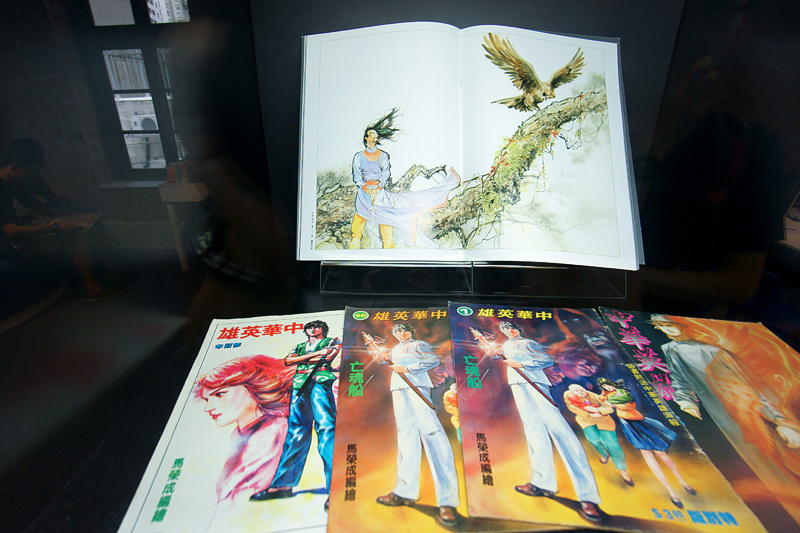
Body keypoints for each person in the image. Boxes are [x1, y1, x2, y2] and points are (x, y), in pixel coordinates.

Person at [472, 321, 603, 523]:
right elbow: (495, 354)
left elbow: (545, 359)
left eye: (512, 328)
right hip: (518, 385)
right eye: (506, 329)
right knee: (534, 431)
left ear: (519, 329)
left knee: (560, 431)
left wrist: (522, 365)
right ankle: (542, 483)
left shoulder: (528, 343)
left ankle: (588, 497)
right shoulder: (507, 345)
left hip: (536, 383)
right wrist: (485, 343)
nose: (509, 331)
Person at [0, 138, 122, 301]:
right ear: (14, 167)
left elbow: (35, 207)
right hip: (11, 243)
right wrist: (54, 227)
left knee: (86, 225)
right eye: (29, 173)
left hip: (29, 227)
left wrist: (70, 215)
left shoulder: (14, 180)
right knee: (78, 237)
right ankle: (91, 288)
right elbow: (10, 230)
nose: (31, 177)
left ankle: (110, 271)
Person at [364, 323, 459, 527]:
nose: (401, 333)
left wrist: (408, 369)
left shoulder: (419, 344)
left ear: (411, 332)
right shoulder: (396, 348)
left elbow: (432, 359)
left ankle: (448, 501)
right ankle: (405, 492)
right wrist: (376, 350)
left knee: (433, 434)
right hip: (399, 389)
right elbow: (384, 360)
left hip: (418, 386)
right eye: (397, 331)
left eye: (404, 330)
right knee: (406, 436)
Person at [251, 320, 340, 511]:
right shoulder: (300, 345)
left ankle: (336, 488)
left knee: (326, 429)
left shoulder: (332, 341)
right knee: (296, 431)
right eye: (309, 327)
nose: (312, 330)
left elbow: (327, 358)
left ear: (323, 329)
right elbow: (288, 361)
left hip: (320, 382)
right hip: (300, 383)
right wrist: (316, 355)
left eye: (316, 327)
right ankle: (283, 484)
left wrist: (304, 359)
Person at [349, 109, 460, 250]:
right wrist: (365, 189)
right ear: (366, 138)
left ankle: (389, 255)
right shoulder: (358, 157)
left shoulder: (383, 155)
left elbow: (385, 173)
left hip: (380, 193)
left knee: (386, 227)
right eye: (372, 134)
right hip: (363, 194)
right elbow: (357, 175)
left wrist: (378, 188)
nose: (375, 136)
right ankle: (353, 255)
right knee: (356, 230)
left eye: (376, 135)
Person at [194, 355, 293, 505]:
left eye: (220, 394)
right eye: (207, 399)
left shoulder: (275, 430)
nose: (208, 408)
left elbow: (243, 494)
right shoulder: (239, 433)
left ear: (253, 388)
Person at [597, 377, 695, 508]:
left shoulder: (623, 392)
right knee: (647, 454)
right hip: (629, 425)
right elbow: (603, 402)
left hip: (640, 421)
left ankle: (683, 482)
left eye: (607, 385)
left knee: (661, 453)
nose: (607, 388)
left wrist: (612, 403)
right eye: (604, 387)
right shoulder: (607, 395)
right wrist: (606, 399)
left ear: (611, 383)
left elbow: (630, 405)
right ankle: (671, 492)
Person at [563, 384, 633, 487]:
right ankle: (604, 454)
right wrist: (589, 414)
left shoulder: (595, 396)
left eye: (581, 389)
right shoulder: (569, 395)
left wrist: (598, 411)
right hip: (586, 421)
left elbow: (609, 409)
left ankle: (622, 470)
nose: (580, 391)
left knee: (612, 444)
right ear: (573, 392)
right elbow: (572, 407)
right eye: (577, 391)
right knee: (594, 440)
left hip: (603, 420)